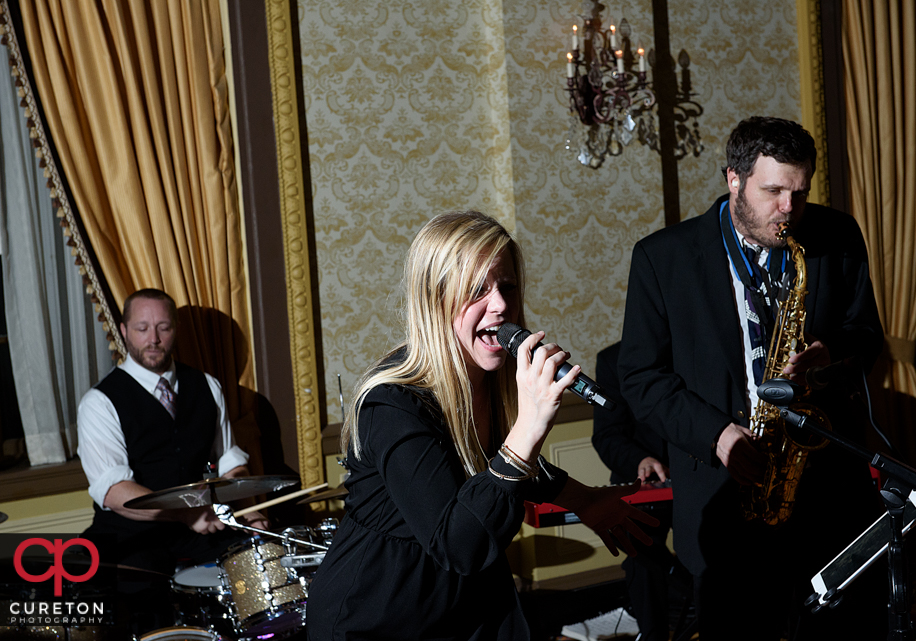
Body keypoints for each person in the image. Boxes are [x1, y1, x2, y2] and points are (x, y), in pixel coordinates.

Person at [306, 211, 658, 641]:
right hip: (379, 614)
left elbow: (499, 465)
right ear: (434, 300)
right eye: (476, 291)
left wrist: (585, 500)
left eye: (507, 287)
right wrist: (529, 426)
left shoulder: (488, 380)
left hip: (464, 606)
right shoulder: (393, 403)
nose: (501, 305)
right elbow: (460, 544)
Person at [618, 117, 886, 640]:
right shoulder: (662, 258)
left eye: (800, 192)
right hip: (728, 504)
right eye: (774, 191)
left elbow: (867, 335)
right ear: (734, 179)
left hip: (829, 498)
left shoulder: (836, 234)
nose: (790, 208)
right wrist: (718, 436)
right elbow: (641, 379)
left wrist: (829, 355)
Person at [77, 288, 268, 574]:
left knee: (256, 561)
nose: (153, 339)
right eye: (142, 328)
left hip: (198, 530)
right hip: (131, 538)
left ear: (175, 330)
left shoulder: (208, 386)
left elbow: (229, 460)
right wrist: (187, 513)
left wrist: (248, 509)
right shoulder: (99, 402)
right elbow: (115, 492)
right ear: (124, 331)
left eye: (163, 328)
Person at [592, 341, 675, 641]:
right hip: (643, 482)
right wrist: (641, 460)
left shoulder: (690, 349)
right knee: (638, 548)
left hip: (698, 474)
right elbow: (606, 435)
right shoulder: (612, 361)